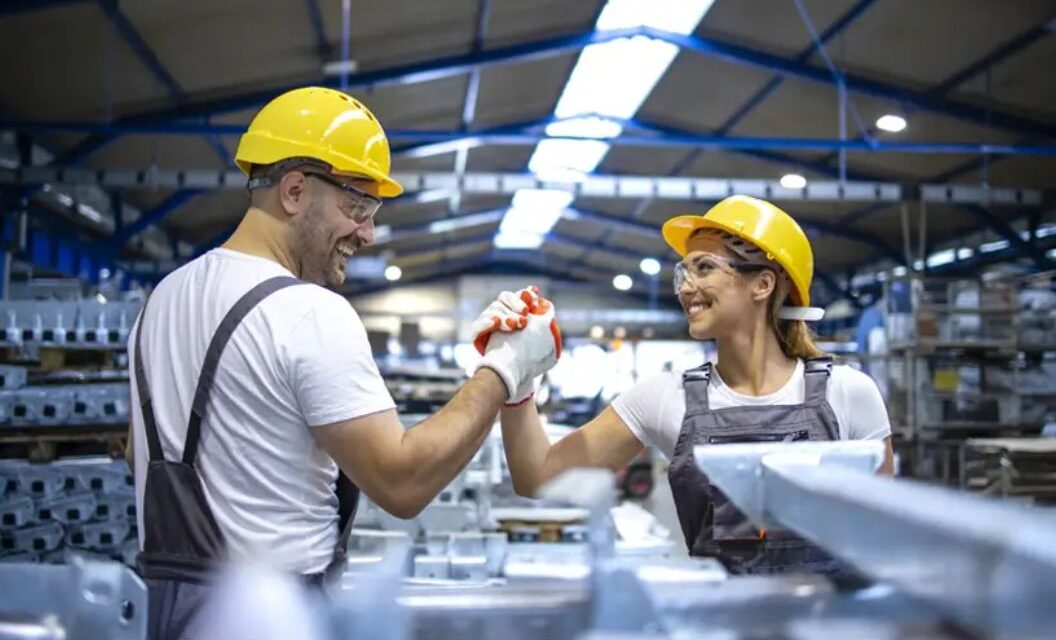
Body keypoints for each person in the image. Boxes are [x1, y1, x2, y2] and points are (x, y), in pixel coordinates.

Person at [126, 86, 560, 639]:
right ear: (294, 191)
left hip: (171, 615)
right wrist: (503, 368)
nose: (368, 232)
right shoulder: (308, 312)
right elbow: (403, 484)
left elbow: (141, 454)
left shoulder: (160, 302)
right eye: (356, 206)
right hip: (275, 619)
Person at [493, 195, 894, 575]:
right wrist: (517, 372)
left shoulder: (848, 393)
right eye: (683, 271)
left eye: (704, 268)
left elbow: (885, 535)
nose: (685, 287)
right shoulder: (664, 398)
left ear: (763, 284)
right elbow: (538, 477)